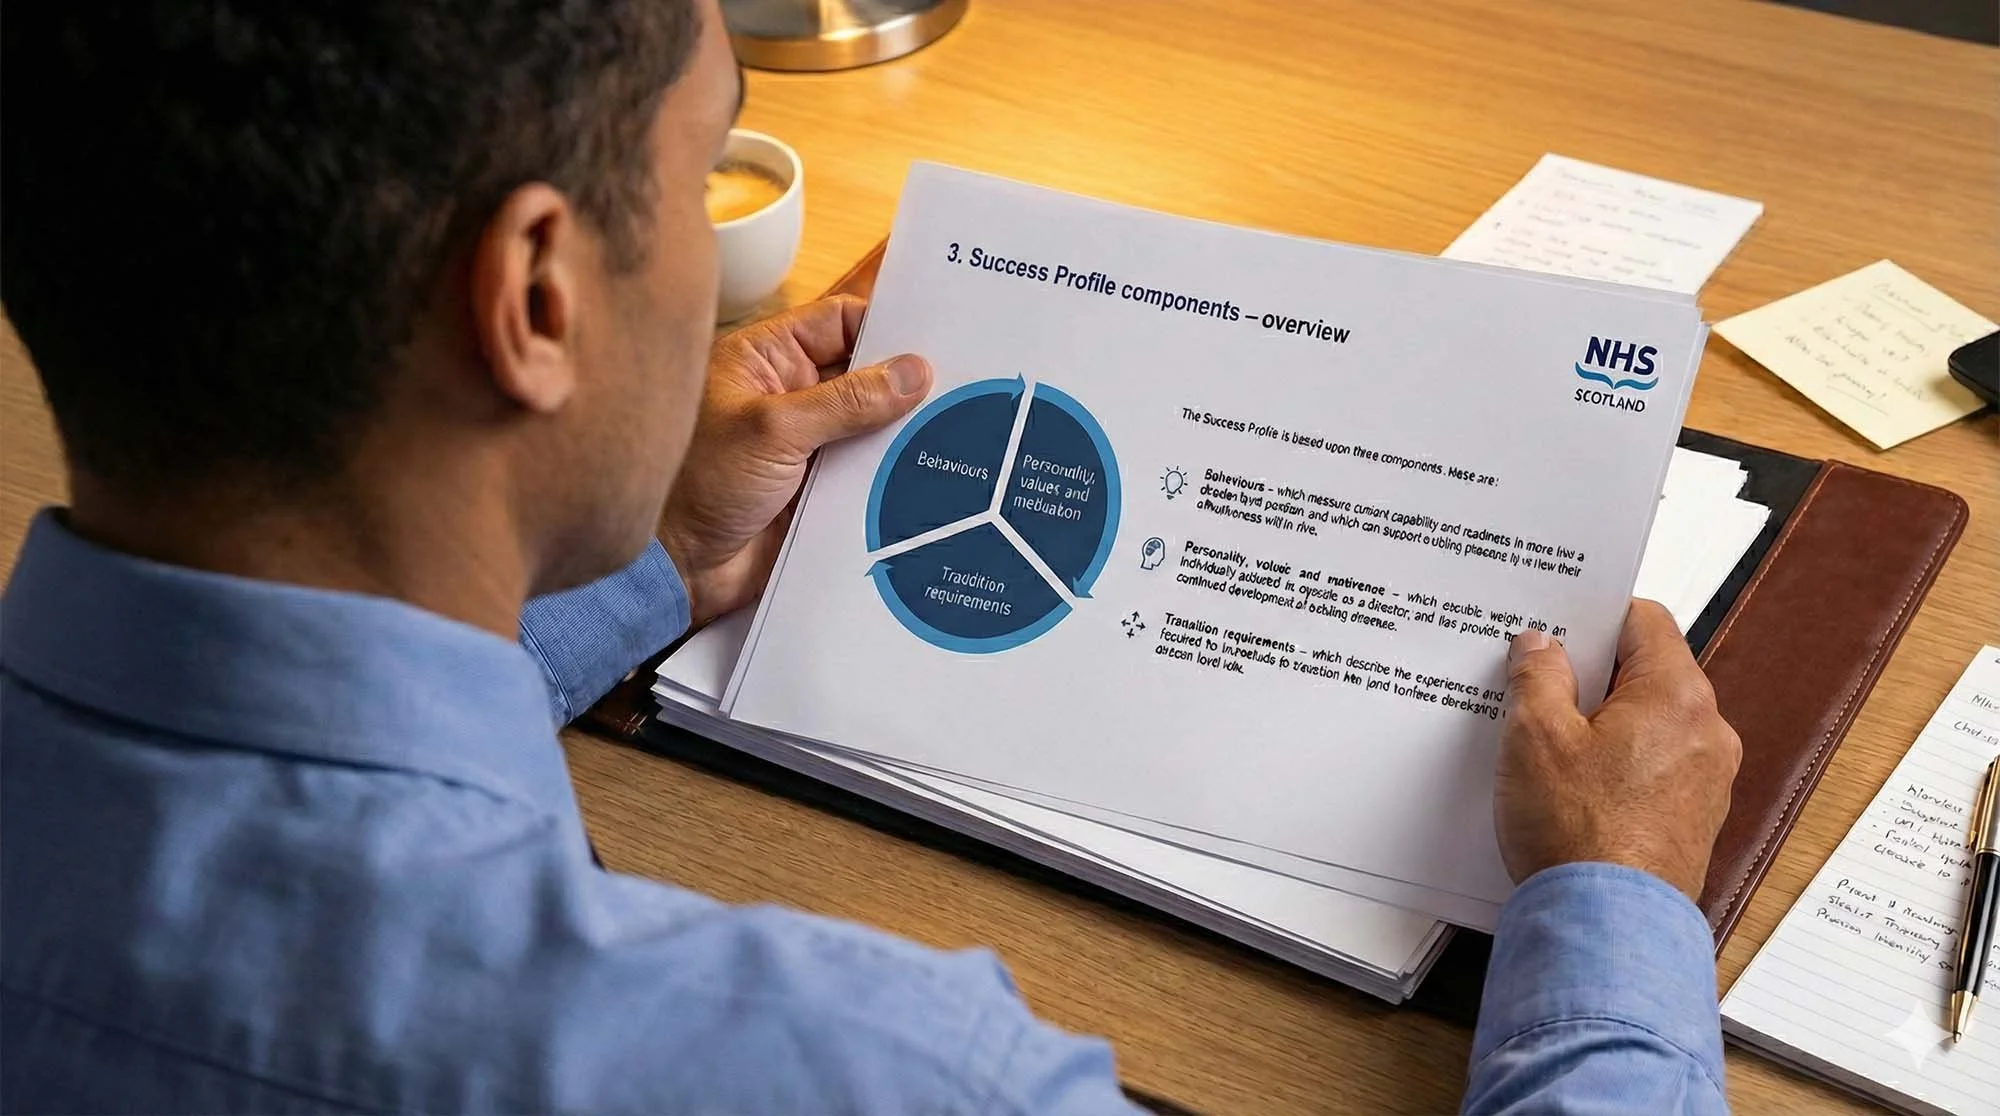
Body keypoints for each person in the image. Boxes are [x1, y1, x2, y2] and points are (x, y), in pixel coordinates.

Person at [0, 1, 1741, 1111]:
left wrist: (653, 561)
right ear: (535, 299)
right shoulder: (881, 1076)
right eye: (699, 172)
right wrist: (1618, 911)